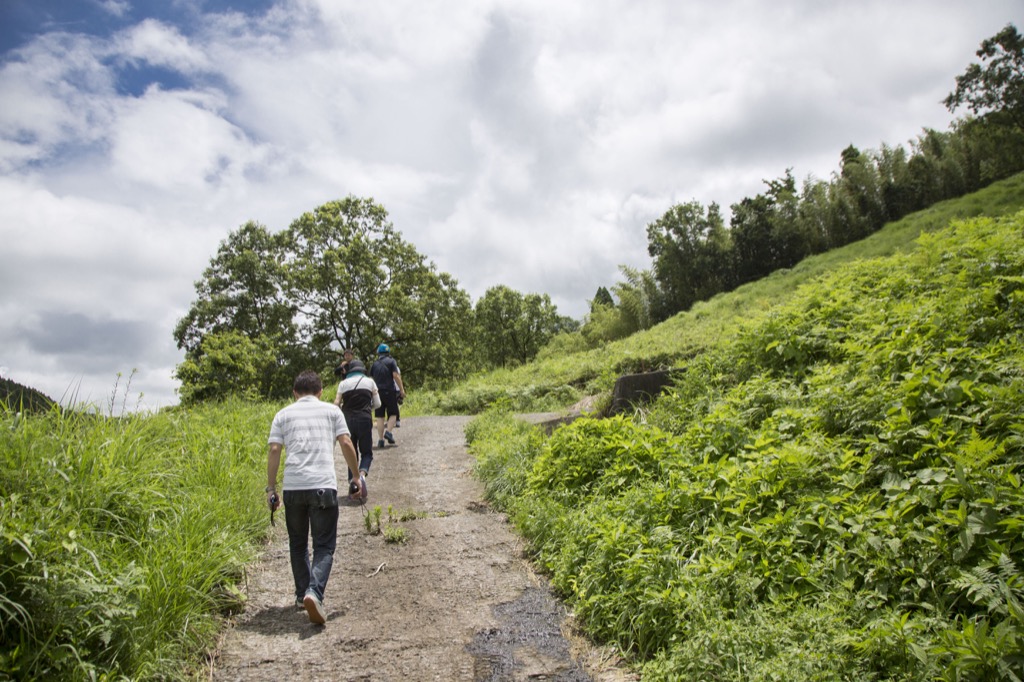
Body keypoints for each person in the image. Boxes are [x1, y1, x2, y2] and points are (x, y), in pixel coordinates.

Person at [266, 370, 362, 625]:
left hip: (293, 488)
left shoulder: (283, 414)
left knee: (298, 544)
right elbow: (345, 443)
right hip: (323, 486)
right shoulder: (332, 411)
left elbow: (275, 449)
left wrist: (270, 488)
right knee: (324, 545)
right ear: (321, 392)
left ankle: (302, 595)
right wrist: (355, 477)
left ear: (294, 393)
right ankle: (314, 592)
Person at [333, 358, 380, 498]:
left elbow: (336, 403)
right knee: (366, 452)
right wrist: (366, 408)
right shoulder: (370, 382)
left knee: (350, 452)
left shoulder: (343, 384)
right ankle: (362, 474)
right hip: (365, 419)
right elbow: (377, 404)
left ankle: (353, 483)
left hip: (347, 421)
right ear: (362, 370)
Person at [371, 343, 406, 448]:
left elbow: (371, 378)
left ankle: (381, 440)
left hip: (377, 392)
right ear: (388, 352)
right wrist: (401, 390)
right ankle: (389, 432)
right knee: (394, 413)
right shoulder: (392, 361)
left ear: (378, 353)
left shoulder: (375, 364)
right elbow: (396, 375)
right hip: (389, 391)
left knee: (380, 416)